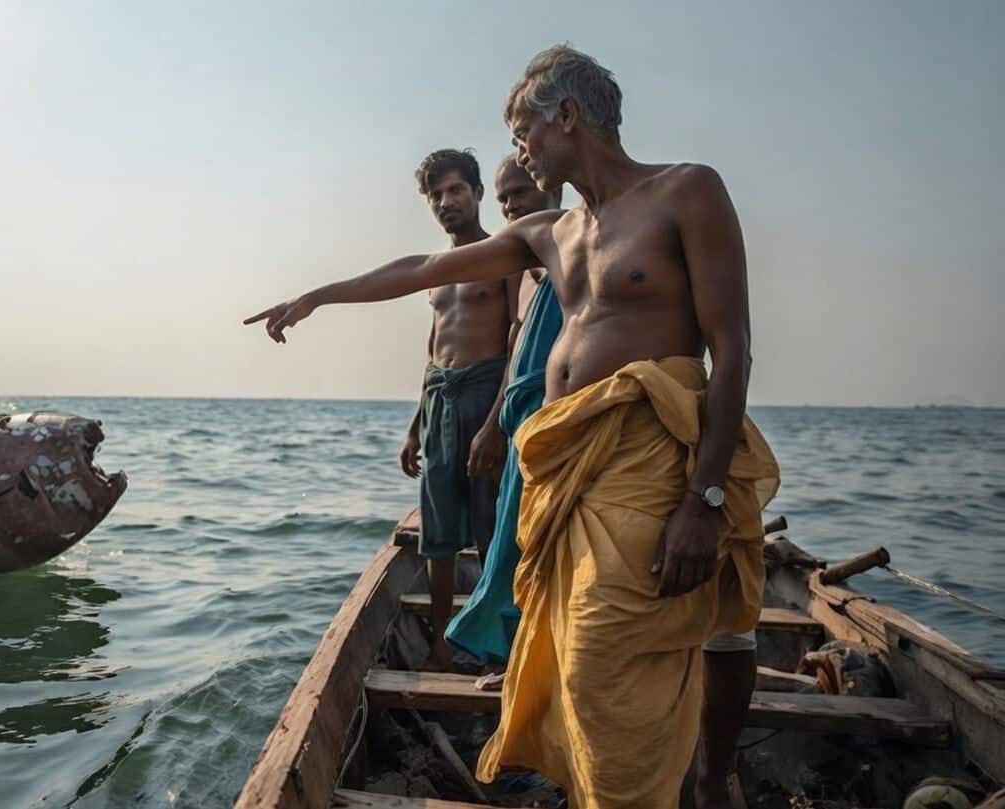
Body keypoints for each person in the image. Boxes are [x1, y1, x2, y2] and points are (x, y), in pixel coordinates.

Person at [245, 44, 779, 809]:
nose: (518, 145)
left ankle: (677, 783)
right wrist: (318, 295)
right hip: (564, 471)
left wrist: (706, 501)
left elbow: (733, 351)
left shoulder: (687, 192)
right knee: (573, 662)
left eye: (522, 125)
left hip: (648, 467)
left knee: (602, 661)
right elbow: (421, 268)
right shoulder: (550, 234)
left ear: (567, 116)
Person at [443, 156, 560, 686]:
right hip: (522, 422)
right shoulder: (531, 263)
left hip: (557, 424)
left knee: (538, 549)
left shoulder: (568, 256)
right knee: (514, 550)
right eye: (505, 197)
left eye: (519, 193)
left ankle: (531, 669)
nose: (511, 205)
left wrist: (492, 424)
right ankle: (514, 663)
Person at [397, 148, 514, 672]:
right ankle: (441, 645)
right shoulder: (437, 271)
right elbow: (434, 346)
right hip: (442, 397)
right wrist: (415, 422)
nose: (447, 202)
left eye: (456, 190)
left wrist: (495, 422)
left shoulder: (507, 254)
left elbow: (515, 343)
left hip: (487, 393)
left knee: (493, 526)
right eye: (436, 195)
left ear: (477, 193)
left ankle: (492, 646)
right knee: (437, 533)